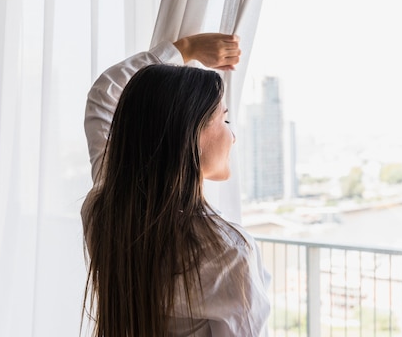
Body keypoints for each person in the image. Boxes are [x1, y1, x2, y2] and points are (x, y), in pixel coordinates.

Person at [81, 33, 270, 336]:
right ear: (191, 134)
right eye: (225, 120)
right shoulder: (226, 251)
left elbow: (104, 97)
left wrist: (184, 49)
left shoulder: (107, 208)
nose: (233, 137)